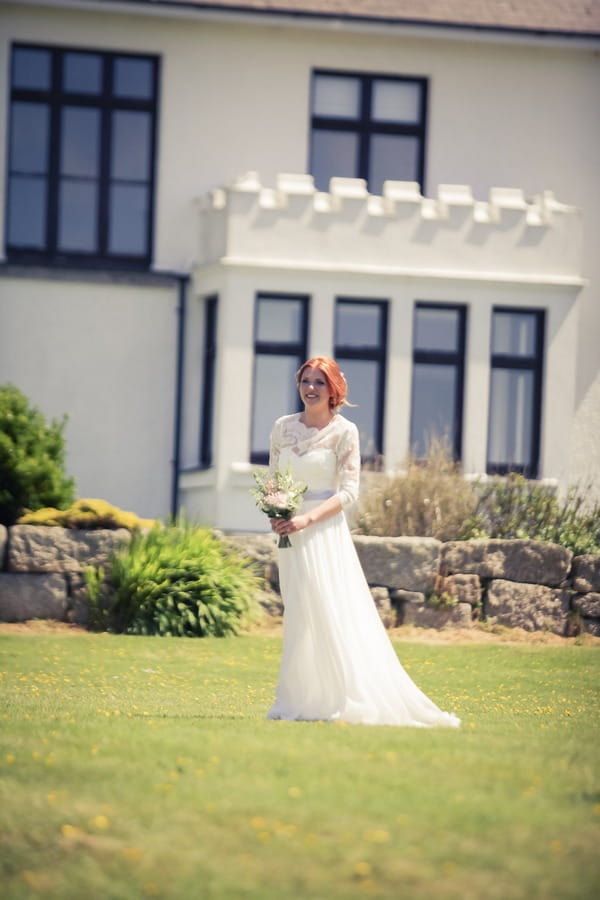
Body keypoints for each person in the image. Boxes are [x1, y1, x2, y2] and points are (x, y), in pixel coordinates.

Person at [266, 356, 460, 728]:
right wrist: (277, 512)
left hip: (323, 532)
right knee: (300, 614)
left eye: (319, 382)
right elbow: (273, 479)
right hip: (289, 535)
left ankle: (347, 696)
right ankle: (297, 700)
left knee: (328, 609)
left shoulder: (345, 432)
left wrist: (307, 518)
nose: (310, 388)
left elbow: (350, 493)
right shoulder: (282, 428)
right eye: (306, 381)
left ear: (333, 388)